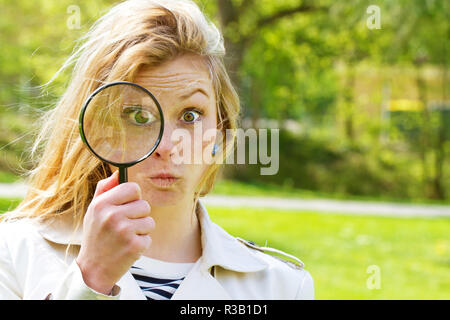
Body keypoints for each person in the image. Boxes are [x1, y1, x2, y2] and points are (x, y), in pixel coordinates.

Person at [0, 0, 314, 300]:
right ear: (99, 130)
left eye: (190, 115)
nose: (166, 146)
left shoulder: (281, 286)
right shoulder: (15, 253)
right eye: (138, 117)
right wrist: (91, 278)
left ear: (220, 131)